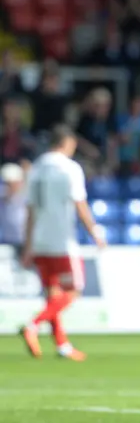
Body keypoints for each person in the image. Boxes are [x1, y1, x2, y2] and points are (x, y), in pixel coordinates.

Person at [20, 125, 105, 361]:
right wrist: (95, 232)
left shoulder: (37, 168)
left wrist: (28, 246)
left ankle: (62, 345)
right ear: (67, 143)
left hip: (39, 241)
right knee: (74, 291)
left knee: (52, 295)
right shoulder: (69, 168)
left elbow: (30, 210)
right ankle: (33, 325)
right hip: (62, 242)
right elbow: (80, 204)